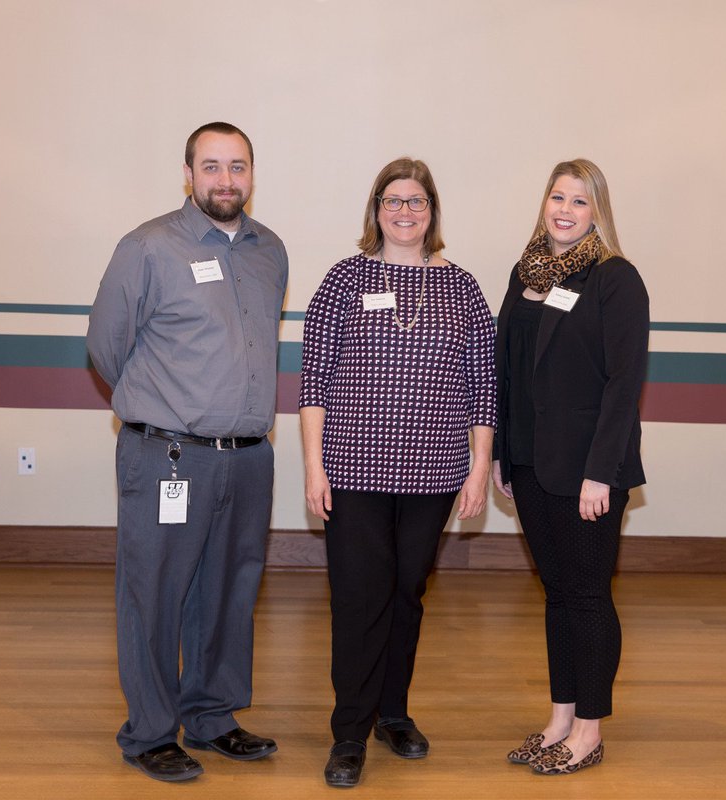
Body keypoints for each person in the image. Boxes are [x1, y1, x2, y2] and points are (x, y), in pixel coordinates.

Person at [86, 121, 288, 783]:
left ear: (251, 174)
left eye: (238, 166)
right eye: (212, 166)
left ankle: (211, 716)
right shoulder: (148, 247)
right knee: (154, 594)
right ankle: (149, 732)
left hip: (249, 457)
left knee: (230, 591)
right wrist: (161, 406)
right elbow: (106, 347)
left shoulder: (270, 250)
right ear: (188, 174)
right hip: (168, 456)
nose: (226, 180)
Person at [299, 157, 497, 788]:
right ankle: (349, 732)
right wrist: (313, 468)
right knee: (360, 596)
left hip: (434, 473)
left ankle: (393, 713)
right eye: (393, 200)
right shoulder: (344, 279)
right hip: (353, 470)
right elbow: (313, 382)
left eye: (416, 201)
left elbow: (483, 387)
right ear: (376, 210)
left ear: (431, 211)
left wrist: (479, 467)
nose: (404, 212)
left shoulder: (462, 289)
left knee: (407, 592)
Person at [493, 159, 649, 776]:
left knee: (587, 596)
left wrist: (600, 472)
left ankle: (589, 729)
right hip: (530, 460)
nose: (565, 210)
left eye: (580, 201)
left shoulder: (614, 277)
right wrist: (503, 453)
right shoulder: (524, 271)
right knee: (557, 594)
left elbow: (624, 384)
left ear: (597, 212)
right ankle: (560, 719)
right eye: (558, 197)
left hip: (587, 468)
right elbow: (509, 369)